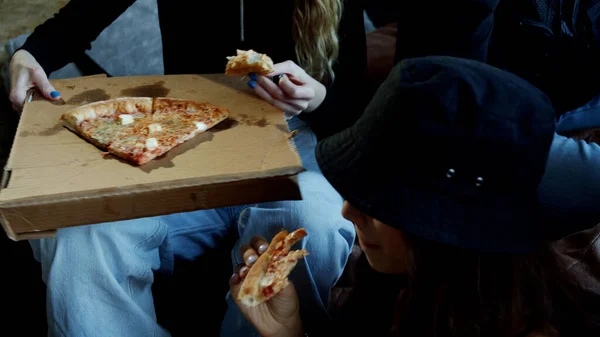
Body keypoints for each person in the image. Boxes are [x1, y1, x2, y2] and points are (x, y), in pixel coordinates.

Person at [6, 0, 369, 336]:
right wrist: (31, 52)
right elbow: (89, 11)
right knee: (82, 235)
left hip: (294, 133)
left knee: (314, 224)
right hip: (183, 127)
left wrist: (317, 97)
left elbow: (357, 109)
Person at [230, 56, 599, 337]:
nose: (347, 212)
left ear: (452, 227)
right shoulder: (397, 283)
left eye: (383, 202)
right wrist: (288, 329)